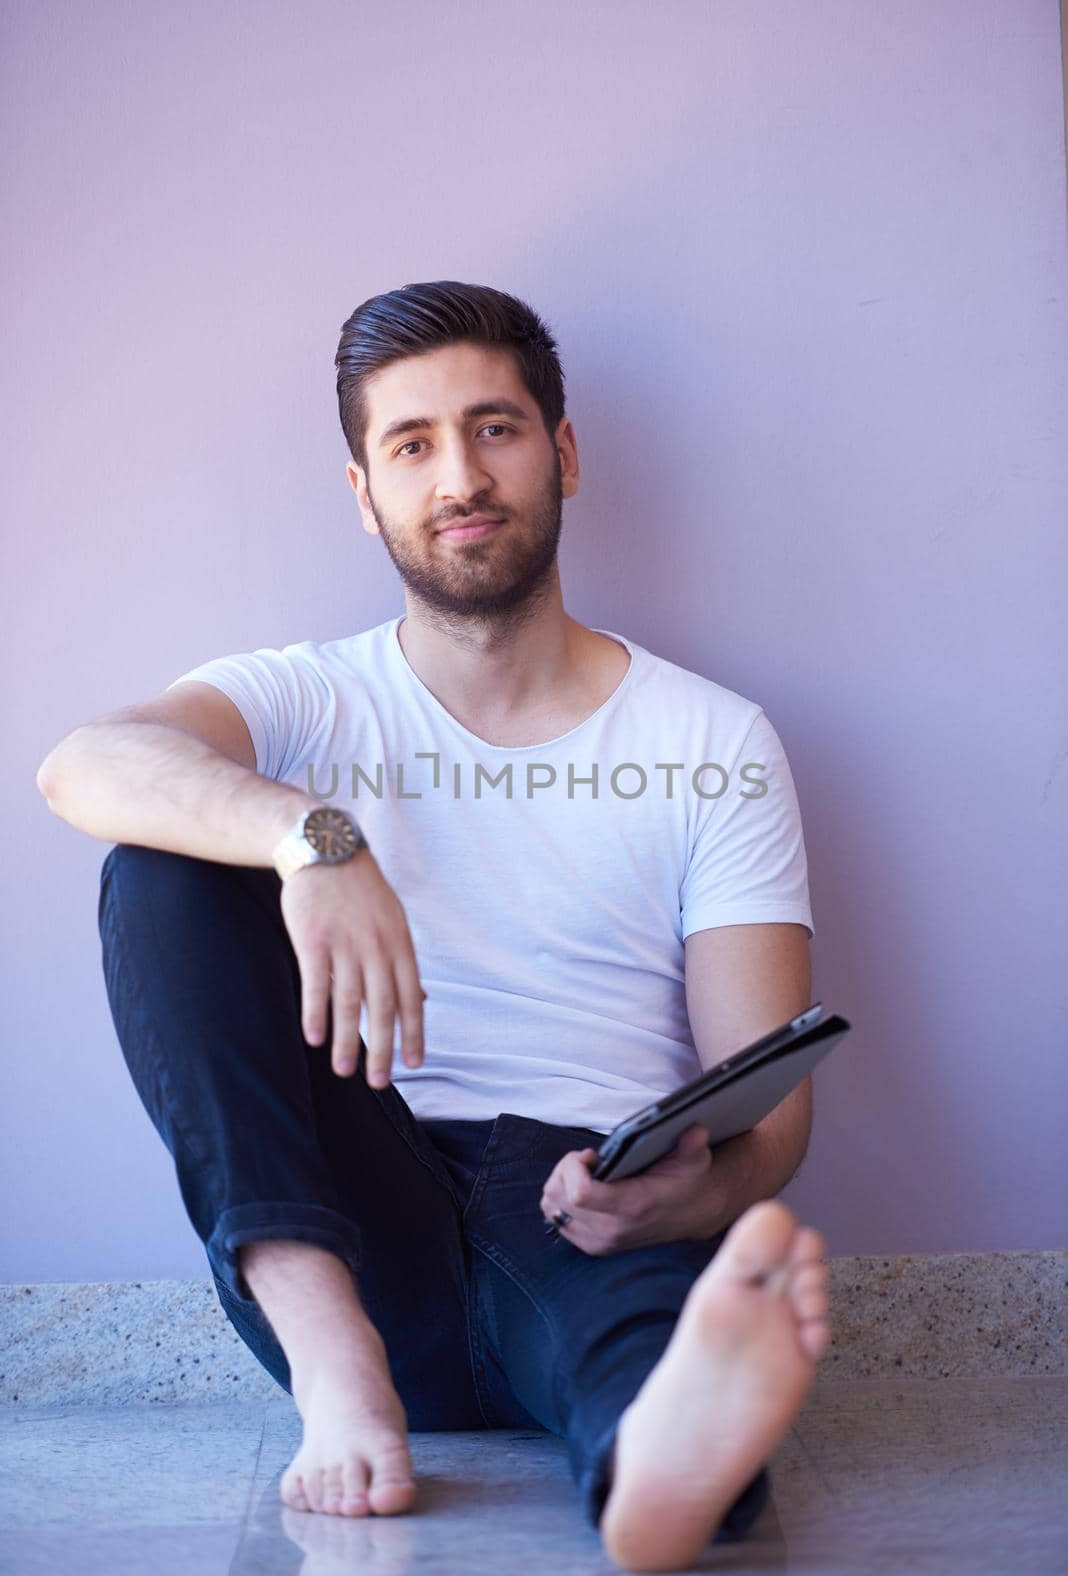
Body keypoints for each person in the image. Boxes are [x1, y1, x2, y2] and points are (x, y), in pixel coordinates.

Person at [36, 280, 831, 1573]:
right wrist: (312, 838)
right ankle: (337, 1370)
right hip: (352, 1218)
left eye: (495, 428)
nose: (459, 475)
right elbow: (82, 765)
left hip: (577, 1194)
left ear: (561, 452)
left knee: (629, 1336)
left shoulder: (711, 740)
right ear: (365, 491)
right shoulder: (306, 697)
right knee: (162, 868)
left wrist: (709, 1188)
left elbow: (773, 1104)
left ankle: (670, 1466)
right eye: (411, 444)